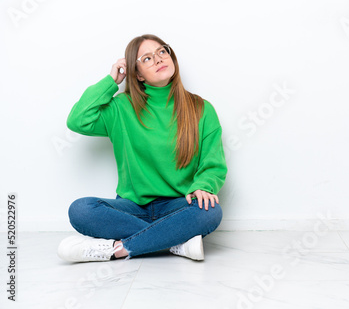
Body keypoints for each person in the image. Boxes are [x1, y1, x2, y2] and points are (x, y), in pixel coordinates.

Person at [57, 34, 227, 263]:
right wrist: (111, 81)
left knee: (210, 211)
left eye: (162, 52)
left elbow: (212, 164)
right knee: (81, 210)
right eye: (146, 59)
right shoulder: (121, 107)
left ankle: (119, 249)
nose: (158, 59)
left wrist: (204, 186)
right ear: (137, 74)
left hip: (179, 205)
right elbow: (78, 120)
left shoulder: (201, 108)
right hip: (131, 206)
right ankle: (175, 242)